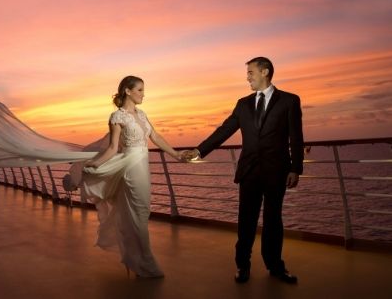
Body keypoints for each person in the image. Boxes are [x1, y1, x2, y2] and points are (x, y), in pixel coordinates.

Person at [182, 57, 304, 284]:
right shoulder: (243, 103)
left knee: (273, 220)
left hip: (277, 171)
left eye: (250, 72)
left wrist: (296, 168)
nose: (247, 77)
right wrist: (199, 150)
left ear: (265, 72)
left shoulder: (289, 101)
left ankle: (276, 267)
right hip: (248, 170)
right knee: (246, 220)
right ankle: (242, 266)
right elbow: (224, 131)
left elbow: (296, 137)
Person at [81, 75, 182, 278]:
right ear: (128, 91)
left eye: (144, 90)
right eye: (140, 90)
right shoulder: (117, 117)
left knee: (142, 212)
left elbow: (155, 137)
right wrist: (95, 163)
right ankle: (145, 263)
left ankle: (136, 259)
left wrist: (177, 155)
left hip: (143, 165)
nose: (143, 94)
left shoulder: (142, 114)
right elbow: (112, 148)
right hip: (131, 167)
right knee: (139, 213)